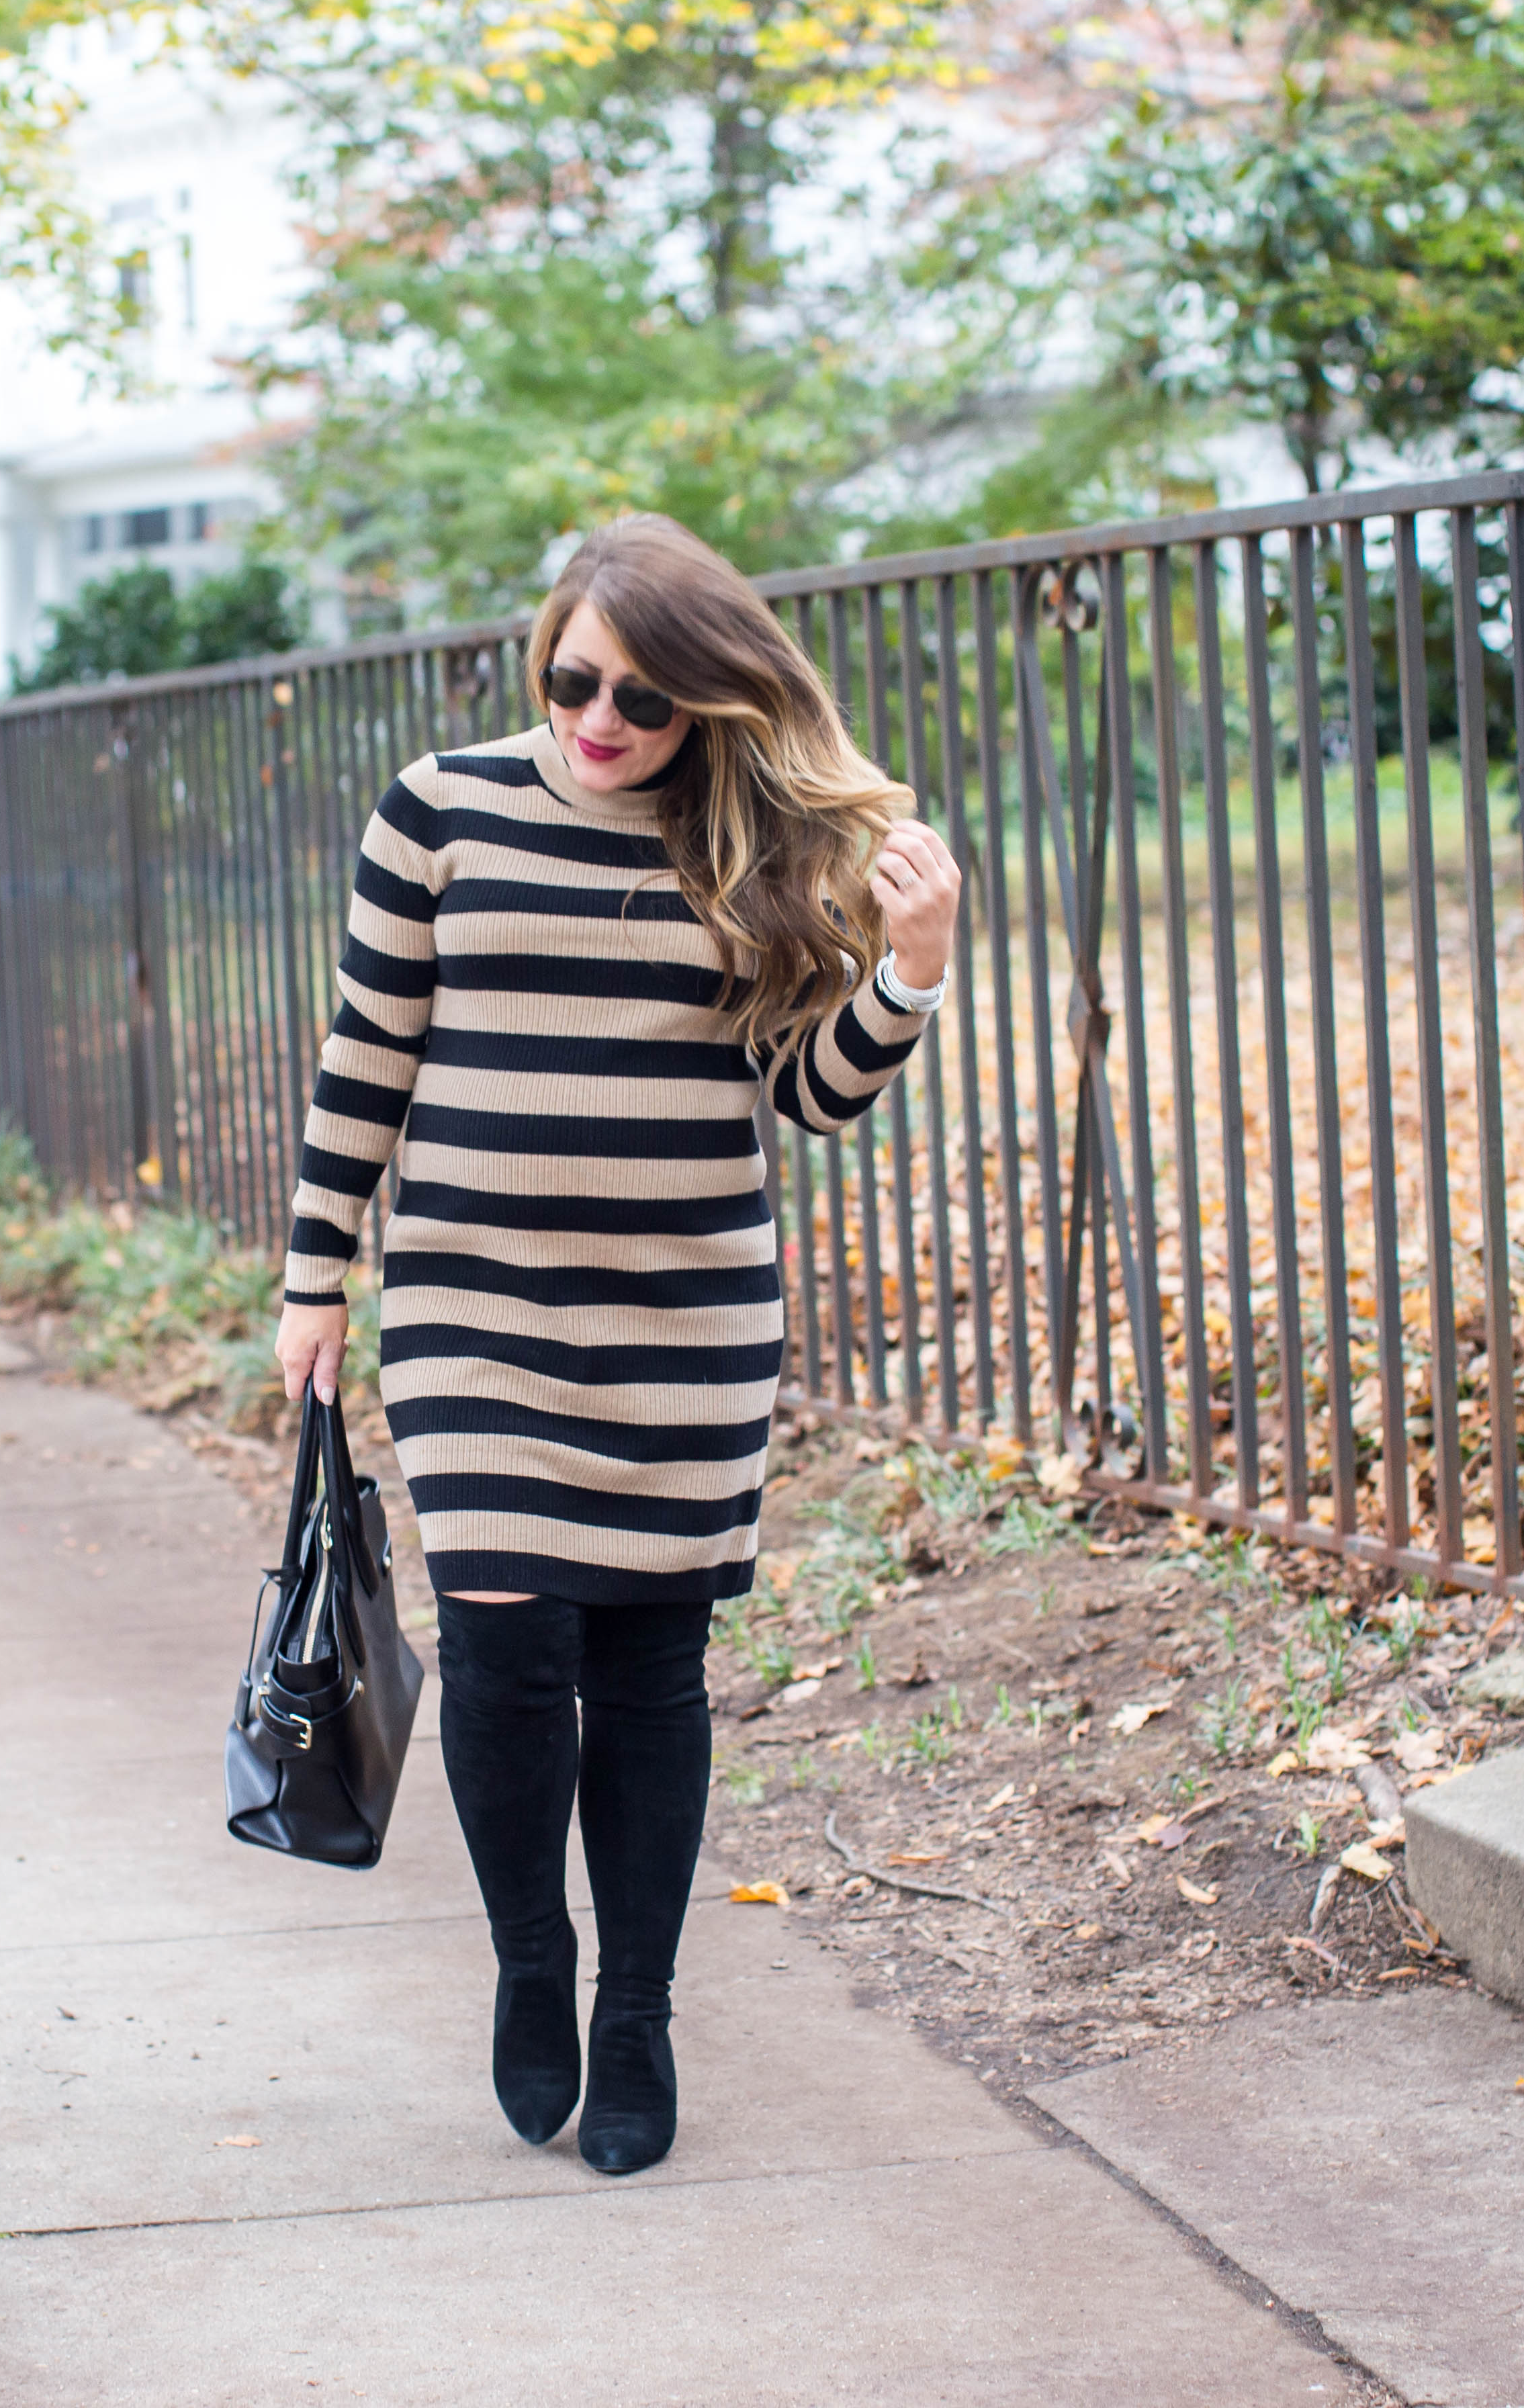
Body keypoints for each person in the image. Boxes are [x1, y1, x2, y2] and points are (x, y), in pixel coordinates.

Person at [274, 512, 961, 2175]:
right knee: (505, 1645)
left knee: (649, 1668)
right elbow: (369, 1057)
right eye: (573, 680)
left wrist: (913, 974)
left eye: (644, 703)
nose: (600, 722)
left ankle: (638, 2009)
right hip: (473, 1307)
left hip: (686, 1317)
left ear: (710, 710)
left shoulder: (754, 848)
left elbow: (807, 1095)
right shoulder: (440, 812)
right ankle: (535, 1962)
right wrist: (316, 1279)